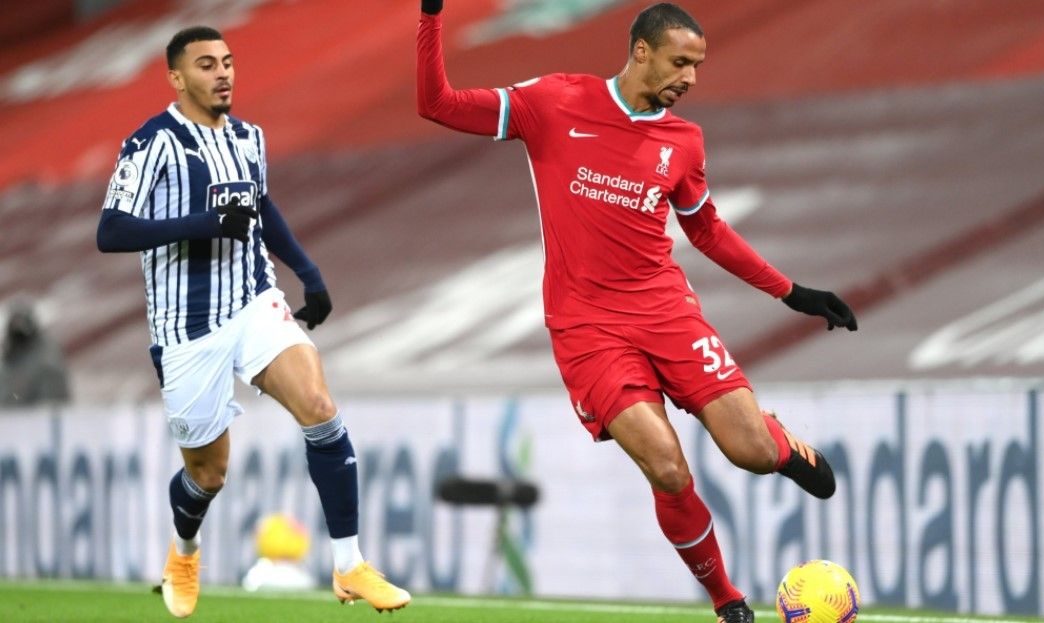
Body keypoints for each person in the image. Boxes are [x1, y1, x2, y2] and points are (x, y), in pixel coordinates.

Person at [416, 2, 858, 620]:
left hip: (666, 312)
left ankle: (778, 444)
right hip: (587, 328)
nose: (690, 78)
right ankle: (727, 600)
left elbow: (707, 232)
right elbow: (436, 103)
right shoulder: (555, 101)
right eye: (681, 62)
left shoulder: (684, 141)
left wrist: (791, 292)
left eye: (698, 65)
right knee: (667, 468)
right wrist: (431, 14)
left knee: (750, 453)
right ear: (641, 51)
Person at [96, 26, 410, 618]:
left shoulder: (249, 138)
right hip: (185, 326)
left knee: (318, 405)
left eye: (228, 62)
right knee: (208, 474)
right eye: (206, 64)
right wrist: (202, 224)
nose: (222, 73)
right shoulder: (151, 143)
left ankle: (349, 564)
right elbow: (111, 230)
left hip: (252, 300)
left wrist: (308, 273)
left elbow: (261, 206)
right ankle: (184, 552)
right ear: (176, 78)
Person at [0, 299, 71, 407]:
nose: (18, 328)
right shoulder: (9, 354)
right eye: (15, 324)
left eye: (21, 323)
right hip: (13, 412)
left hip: (42, 410)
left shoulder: (46, 351)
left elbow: (53, 394)